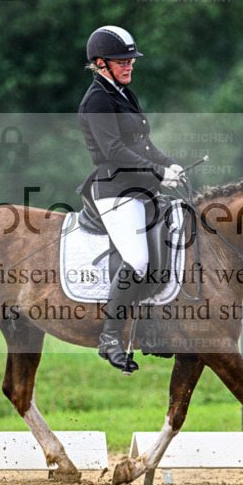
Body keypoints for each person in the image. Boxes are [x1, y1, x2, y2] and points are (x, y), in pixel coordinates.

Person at [76, 25, 186, 372]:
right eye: (122, 61)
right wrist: (158, 172)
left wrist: (169, 163)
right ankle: (110, 338)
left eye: (131, 61)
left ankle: (151, 330)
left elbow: (143, 144)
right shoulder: (97, 100)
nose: (129, 66)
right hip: (115, 190)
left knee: (168, 246)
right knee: (137, 260)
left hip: (141, 187)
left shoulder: (124, 93)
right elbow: (114, 151)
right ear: (101, 63)